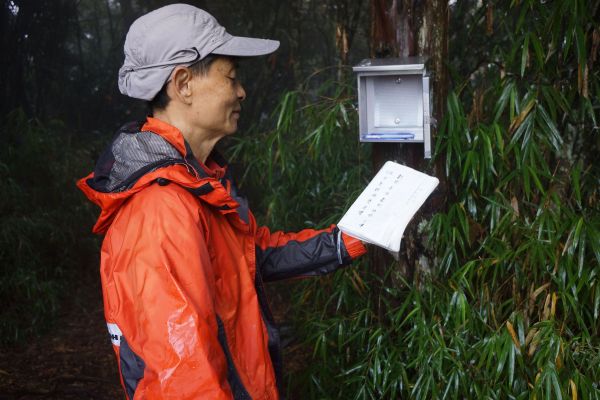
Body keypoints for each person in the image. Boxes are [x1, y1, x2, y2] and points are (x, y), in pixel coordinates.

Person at [77, 4, 366, 399]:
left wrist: (349, 238)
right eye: (231, 77)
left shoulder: (196, 184)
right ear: (183, 84)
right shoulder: (162, 210)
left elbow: (250, 252)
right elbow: (185, 382)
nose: (242, 91)